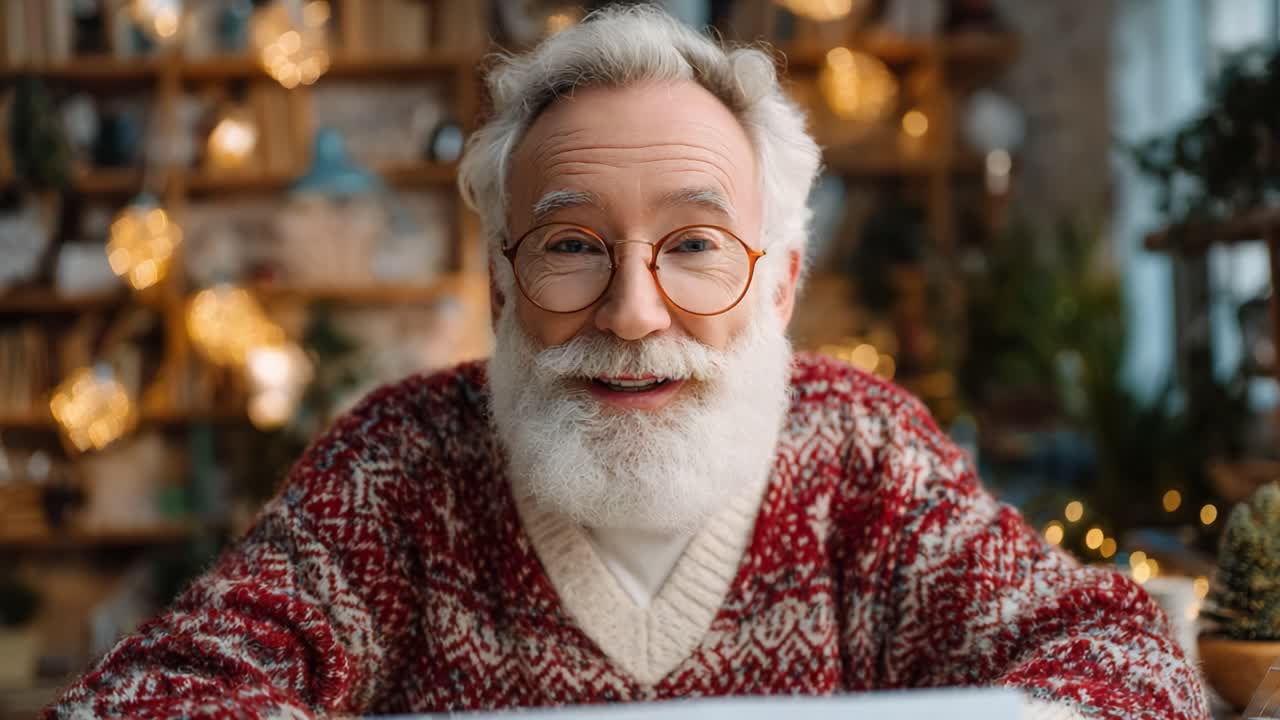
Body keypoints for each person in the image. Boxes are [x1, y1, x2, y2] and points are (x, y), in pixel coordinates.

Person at [47, 7, 1207, 720]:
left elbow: (1124, 667)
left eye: (694, 246)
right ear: (503, 284)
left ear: (778, 282)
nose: (635, 311)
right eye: (569, 247)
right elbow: (146, 697)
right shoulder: (400, 462)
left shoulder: (863, 451)